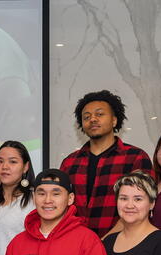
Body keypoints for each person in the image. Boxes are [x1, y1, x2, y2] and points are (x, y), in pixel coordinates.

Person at [59, 90, 154, 238]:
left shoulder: (135, 158)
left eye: (100, 114)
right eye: (86, 117)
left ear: (114, 120)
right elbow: (61, 208)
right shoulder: (70, 162)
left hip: (122, 245)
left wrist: (105, 242)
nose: (93, 119)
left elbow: (140, 208)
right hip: (77, 245)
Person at [0, 141, 34, 255]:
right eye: (0, 161)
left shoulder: (35, 200)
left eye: (13, 162)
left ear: (25, 167)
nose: (5, 166)